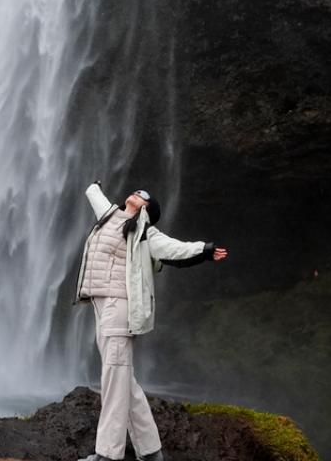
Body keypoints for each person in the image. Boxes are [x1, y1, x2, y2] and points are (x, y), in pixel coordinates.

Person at [74, 181, 228, 461]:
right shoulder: (110, 215)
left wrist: (205, 250)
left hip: (118, 306)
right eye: (136, 191)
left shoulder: (145, 233)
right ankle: (151, 451)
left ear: (147, 209)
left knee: (113, 377)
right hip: (100, 304)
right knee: (123, 379)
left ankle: (108, 454)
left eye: (144, 196)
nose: (137, 194)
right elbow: (93, 194)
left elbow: (175, 249)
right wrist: (94, 183)